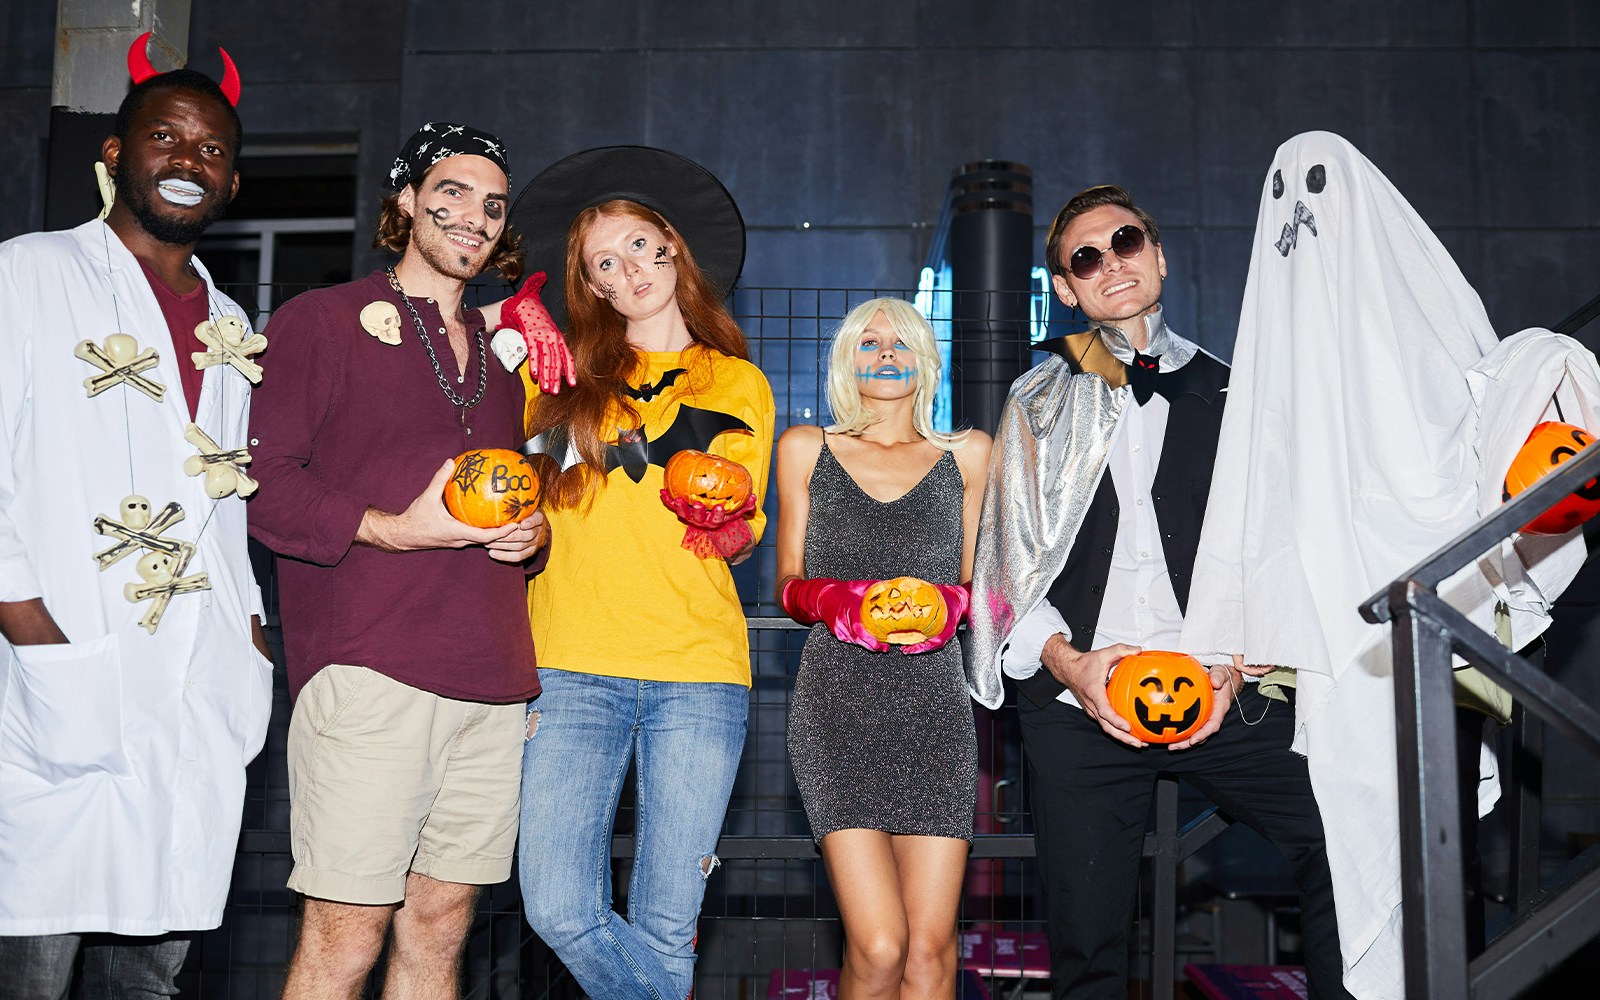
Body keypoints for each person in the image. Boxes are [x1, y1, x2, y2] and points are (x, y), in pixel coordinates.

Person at [1180, 131, 1599, 998]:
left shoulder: (1422, 319)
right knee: (1346, 854)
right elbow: (1257, 502)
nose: (1299, 213)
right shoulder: (1278, 361)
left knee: (1435, 849)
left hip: (1440, 632)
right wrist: (1241, 632)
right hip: (1327, 651)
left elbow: (1482, 413)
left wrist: (1541, 368)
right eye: (1281, 194)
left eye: (1317, 185)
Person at [966, 185, 1354, 1000]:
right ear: (1066, 289)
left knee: (1345, 844)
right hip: (1079, 702)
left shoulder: (1236, 391)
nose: (1112, 263)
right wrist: (1068, 665)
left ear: (1159, 256)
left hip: (1218, 686)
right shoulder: (1036, 400)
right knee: (1088, 943)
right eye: (1086, 258)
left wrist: (1235, 666)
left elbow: (1275, 546)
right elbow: (1002, 560)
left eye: (1127, 241)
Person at [246, 122, 549, 1000]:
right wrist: (391, 528)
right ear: (408, 200)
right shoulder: (321, 320)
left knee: (442, 928)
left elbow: (504, 500)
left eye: (494, 205)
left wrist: (532, 540)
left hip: (494, 683)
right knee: (345, 936)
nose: (475, 216)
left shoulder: (502, 365)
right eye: (452, 192)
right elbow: (263, 487)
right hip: (370, 671)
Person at [0, 45, 273, 997]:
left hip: (195, 688)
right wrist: (29, 623)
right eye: (166, 137)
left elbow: (223, 504)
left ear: (231, 182)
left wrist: (249, 631)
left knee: (148, 982)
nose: (188, 160)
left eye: (212, 150)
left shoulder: (231, 324)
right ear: (116, 153)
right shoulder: (29, 273)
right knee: (34, 966)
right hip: (61, 662)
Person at [508, 146, 774, 1000]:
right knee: (558, 906)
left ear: (671, 247)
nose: (628, 270)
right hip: (568, 664)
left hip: (697, 669)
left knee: (666, 926)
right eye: (603, 264)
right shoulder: (554, 378)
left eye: (637, 246)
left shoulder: (738, 382)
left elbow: (745, 531)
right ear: (592, 286)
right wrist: (519, 309)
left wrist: (725, 518)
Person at [774, 297, 989, 999]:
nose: (886, 354)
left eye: (901, 342)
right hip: (836, 708)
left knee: (928, 954)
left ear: (926, 359)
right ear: (847, 361)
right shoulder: (805, 448)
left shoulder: (969, 455)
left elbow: (985, 585)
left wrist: (955, 605)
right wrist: (834, 602)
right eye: (868, 343)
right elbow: (786, 583)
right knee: (879, 946)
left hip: (935, 713)